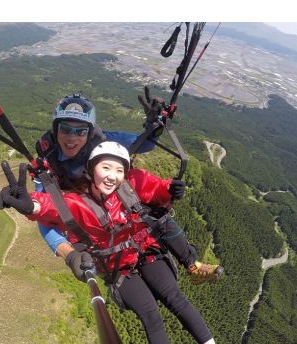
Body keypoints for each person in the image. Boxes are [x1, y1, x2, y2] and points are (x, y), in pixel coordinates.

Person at [0, 142, 223, 344]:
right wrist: (30, 205)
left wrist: (171, 189)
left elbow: (154, 187)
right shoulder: (80, 203)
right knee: (151, 315)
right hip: (119, 271)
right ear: (91, 170)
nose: (112, 176)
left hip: (144, 253)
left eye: (118, 170)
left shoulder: (129, 187)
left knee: (176, 298)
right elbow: (52, 207)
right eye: (105, 167)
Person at [32, 92, 223, 284]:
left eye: (80, 131)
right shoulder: (49, 161)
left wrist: (153, 127)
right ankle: (121, 275)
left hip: (111, 202)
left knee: (159, 216)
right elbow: (45, 217)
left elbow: (143, 144)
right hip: (86, 216)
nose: (72, 137)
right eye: (65, 129)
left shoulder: (102, 141)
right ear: (55, 130)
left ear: (89, 132)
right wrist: (70, 254)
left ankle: (192, 264)